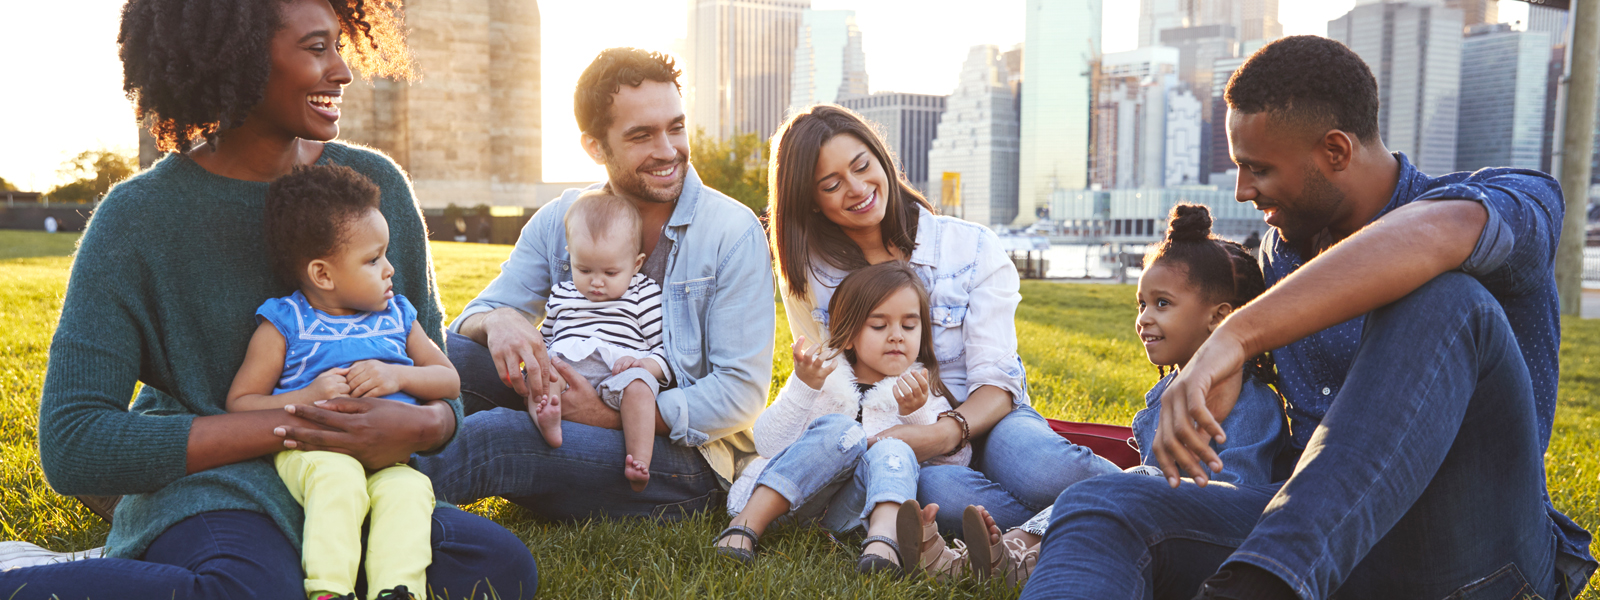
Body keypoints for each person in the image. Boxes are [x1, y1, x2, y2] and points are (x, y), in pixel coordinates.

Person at [1023, 35, 1595, 600]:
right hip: (1314, 545)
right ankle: (1269, 574)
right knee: (1099, 505)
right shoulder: (1281, 253)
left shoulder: (1514, 197)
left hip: (1472, 554)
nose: (1243, 190)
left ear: (1337, 152)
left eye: (1259, 169)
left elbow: (1435, 233)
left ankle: (1262, 583)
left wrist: (1236, 337)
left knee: (1444, 298)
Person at [0, 1, 537, 598]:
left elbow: (440, 390)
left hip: (354, 487)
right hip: (215, 484)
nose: (343, 70)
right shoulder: (137, 219)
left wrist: (419, 421)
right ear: (238, 59)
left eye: (340, 44)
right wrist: (296, 424)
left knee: (499, 570)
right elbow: (75, 441)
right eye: (316, 48)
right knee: (252, 590)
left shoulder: (371, 192)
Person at [413, 48, 774, 520]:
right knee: (448, 357)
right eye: (642, 135)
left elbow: (740, 393)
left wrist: (608, 416)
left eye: (676, 127)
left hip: (681, 458)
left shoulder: (732, 231)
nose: (668, 150)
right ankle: (332, 458)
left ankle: (360, 505)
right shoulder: (561, 218)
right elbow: (473, 320)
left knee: (499, 437)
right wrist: (499, 320)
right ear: (595, 147)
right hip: (561, 401)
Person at [767, 104, 1121, 537]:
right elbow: (833, 390)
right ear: (812, 202)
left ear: (882, 158)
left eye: (862, 166)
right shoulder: (813, 278)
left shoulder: (969, 247)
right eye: (832, 184)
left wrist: (942, 434)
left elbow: (997, 382)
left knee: (1043, 469)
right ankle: (1074, 531)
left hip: (991, 420)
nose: (857, 188)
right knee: (942, 500)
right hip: (909, 447)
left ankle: (1151, 497)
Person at [951, 204, 1287, 590]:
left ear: (1218, 317)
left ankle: (1009, 554)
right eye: (1141, 304)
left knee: (1130, 481)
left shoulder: (1252, 403)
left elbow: (1234, 501)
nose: (1143, 318)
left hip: (1197, 535)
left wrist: (1146, 487)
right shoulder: (1164, 395)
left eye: (1162, 303)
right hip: (1147, 519)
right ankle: (990, 556)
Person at [225, 165, 458, 600]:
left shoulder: (399, 316)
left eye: (385, 255)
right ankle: (330, 590)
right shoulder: (285, 322)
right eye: (373, 260)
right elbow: (240, 403)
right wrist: (308, 395)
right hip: (315, 456)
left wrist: (398, 374)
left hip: (389, 457)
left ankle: (398, 590)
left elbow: (449, 380)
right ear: (323, 275)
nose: (390, 269)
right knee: (339, 478)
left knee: (409, 490)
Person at [715, 262, 970, 577]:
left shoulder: (921, 391)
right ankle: (745, 524)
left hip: (851, 514)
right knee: (841, 430)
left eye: (909, 326)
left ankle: (883, 542)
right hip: (789, 502)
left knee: (895, 447)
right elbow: (768, 442)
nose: (896, 337)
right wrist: (803, 388)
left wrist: (915, 413)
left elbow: (955, 463)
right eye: (879, 326)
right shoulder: (822, 379)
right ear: (847, 336)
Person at [527, 190, 673, 492]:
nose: (596, 281)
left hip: (617, 375)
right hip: (566, 371)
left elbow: (663, 350)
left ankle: (639, 459)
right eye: (584, 270)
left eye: (610, 272)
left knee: (640, 389)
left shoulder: (641, 294)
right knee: (539, 375)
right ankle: (548, 421)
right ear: (571, 257)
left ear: (636, 264)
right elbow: (546, 340)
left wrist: (642, 364)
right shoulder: (563, 294)